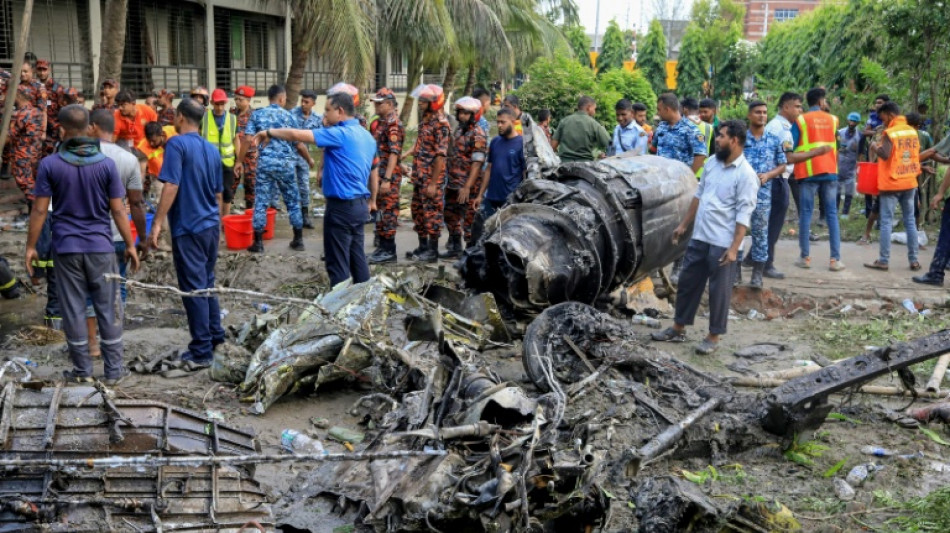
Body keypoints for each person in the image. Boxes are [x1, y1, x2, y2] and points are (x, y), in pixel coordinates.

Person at [25, 104, 139, 384]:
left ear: (62, 130)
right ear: (88, 127)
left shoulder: (50, 164)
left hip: (66, 248)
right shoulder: (106, 165)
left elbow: (40, 211)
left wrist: (31, 247)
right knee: (107, 305)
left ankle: (82, 371)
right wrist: (131, 244)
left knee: (74, 308)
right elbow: (119, 210)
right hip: (101, 246)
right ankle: (113, 372)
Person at [650, 120, 758, 355]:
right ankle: (678, 328)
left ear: (735, 140)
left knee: (719, 292)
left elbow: (743, 215)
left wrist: (734, 248)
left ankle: (713, 337)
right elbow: (698, 196)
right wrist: (683, 225)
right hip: (700, 237)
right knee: (688, 284)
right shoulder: (712, 164)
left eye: (720, 136)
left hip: (723, 243)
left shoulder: (747, 175)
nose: (716, 140)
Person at [254, 92, 376, 286]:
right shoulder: (366, 135)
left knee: (337, 264)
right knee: (357, 258)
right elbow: (369, 168)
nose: (324, 115)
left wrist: (268, 132)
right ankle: (365, 301)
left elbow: (295, 134)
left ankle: (340, 309)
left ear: (340, 111)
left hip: (341, 209)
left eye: (328, 110)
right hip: (359, 205)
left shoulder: (339, 134)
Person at [148, 98, 224, 366]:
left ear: (180, 117)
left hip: (189, 226)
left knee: (193, 289)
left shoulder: (177, 144)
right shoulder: (211, 149)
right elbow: (218, 193)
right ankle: (215, 336)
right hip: (209, 225)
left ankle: (201, 349)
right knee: (207, 282)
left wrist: (157, 222)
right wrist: (217, 223)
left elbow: (171, 185)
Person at [87, 110, 147, 356]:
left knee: (90, 289)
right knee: (118, 286)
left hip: (88, 237)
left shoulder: (79, 156)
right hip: (119, 235)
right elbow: (136, 203)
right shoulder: (128, 159)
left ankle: (92, 344)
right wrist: (142, 239)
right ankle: (113, 337)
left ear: (92, 127)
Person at [239, 85, 304, 253]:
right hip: (286, 164)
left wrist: (240, 161)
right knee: (292, 201)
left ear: (270, 98)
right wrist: (309, 159)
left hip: (266, 164)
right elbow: (298, 142)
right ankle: (298, 239)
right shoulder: (290, 117)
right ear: (282, 99)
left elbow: (247, 140)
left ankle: (258, 242)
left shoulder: (257, 115)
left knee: (261, 201)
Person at [791, 88, 844, 271]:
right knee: (831, 214)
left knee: (805, 213)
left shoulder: (800, 120)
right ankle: (835, 260)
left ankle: (805, 258)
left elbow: (792, 145)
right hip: (829, 171)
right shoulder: (834, 120)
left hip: (808, 172)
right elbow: (839, 144)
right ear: (822, 102)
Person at [863, 102, 920, 272]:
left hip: (892, 183)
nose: (884, 122)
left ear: (889, 114)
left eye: (883, 118)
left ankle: (883, 260)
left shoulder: (890, 133)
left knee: (886, 221)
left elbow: (885, 154)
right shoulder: (912, 131)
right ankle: (914, 261)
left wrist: (874, 146)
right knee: (910, 221)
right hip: (909, 181)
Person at [743, 101, 787, 289]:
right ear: (749, 115)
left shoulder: (774, 139)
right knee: (737, 231)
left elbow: (783, 164)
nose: (762, 115)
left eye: (764, 112)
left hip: (763, 194)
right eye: (757, 112)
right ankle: (735, 271)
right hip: (741, 193)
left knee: (760, 233)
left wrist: (769, 175)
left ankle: (757, 275)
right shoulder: (741, 138)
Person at [407, 84, 451, 263]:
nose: (420, 103)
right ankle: (422, 246)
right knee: (418, 211)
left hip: (432, 179)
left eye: (424, 100)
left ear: (434, 102)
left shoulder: (441, 124)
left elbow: (440, 157)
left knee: (431, 214)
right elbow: (420, 147)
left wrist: (433, 183)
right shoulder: (426, 121)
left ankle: (432, 251)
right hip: (420, 177)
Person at [441, 97, 488, 259]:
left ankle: (470, 252)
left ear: (474, 115)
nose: (461, 116)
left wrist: (467, 187)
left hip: (468, 186)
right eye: (460, 112)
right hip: (453, 183)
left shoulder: (478, 134)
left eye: (465, 113)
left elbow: (477, 163)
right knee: (449, 214)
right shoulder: (460, 131)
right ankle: (455, 247)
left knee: (469, 220)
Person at [472, 108, 525, 241]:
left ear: (513, 121)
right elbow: (489, 168)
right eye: (498, 122)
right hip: (492, 197)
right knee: (486, 233)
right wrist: (480, 195)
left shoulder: (521, 144)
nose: (499, 126)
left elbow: (525, 173)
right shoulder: (495, 142)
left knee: (507, 236)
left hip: (510, 200)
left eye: (503, 122)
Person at [367, 88, 405, 264]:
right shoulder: (382, 123)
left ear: (390, 104)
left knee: (388, 212)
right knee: (381, 212)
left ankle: (389, 250)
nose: (376, 106)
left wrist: (387, 179)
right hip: (379, 175)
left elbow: (393, 153)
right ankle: (382, 247)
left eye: (379, 103)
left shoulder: (393, 124)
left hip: (387, 178)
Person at [201, 88, 240, 217]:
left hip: (227, 162)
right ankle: (213, 219)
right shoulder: (204, 118)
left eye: (222, 104)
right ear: (212, 103)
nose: (219, 107)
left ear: (226, 103)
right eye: (217, 104)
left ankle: (225, 220)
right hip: (209, 162)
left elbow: (236, 140)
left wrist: (239, 161)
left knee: (227, 192)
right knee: (210, 191)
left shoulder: (233, 119)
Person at [3, 88, 43, 210]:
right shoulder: (36, 111)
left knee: (25, 184)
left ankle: (36, 212)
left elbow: (10, 136)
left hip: (22, 154)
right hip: (34, 153)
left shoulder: (22, 114)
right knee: (32, 182)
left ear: (19, 96)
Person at [652, 93, 707, 174]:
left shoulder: (690, 129)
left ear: (667, 109)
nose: (658, 113)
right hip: (660, 178)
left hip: (679, 180)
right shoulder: (661, 127)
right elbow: (654, 148)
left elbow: (701, 155)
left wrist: (688, 176)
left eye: (659, 110)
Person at [290, 89, 322, 229]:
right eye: (302, 101)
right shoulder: (292, 114)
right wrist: (310, 159)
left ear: (313, 103)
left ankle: (305, 216)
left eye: (306, 102)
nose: (303, 104)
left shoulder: (317, 119)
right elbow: (296, 141)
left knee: (304, 186)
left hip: (304, 158)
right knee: (290, 186)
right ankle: (294, 217)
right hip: (290, 156)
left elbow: (321, 137)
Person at [551, 96, 610, 162]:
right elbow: (608, 143)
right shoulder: (594, 124)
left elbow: (553, 146)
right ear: (589, 107)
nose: (594, 112)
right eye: (594, 109)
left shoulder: (564, 121)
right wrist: (598, 153)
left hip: (564, 165)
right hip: (585, 166)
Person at [231, 85, 257, 211]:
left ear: (248, 100)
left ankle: (250, 212)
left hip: (250, 155)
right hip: (233, 154)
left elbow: (261, 135)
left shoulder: (255, 115)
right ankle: (226, 211)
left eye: (240, 99)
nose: (237, 102)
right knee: (231, 183)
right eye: (236, 99)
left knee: (250, 184)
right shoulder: (231, 113)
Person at [137, 121, 177, 201]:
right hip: (159, 178)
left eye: (154, 141)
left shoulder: (173, 131)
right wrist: (137, 190)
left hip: (176, 174)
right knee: (161, 201)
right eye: (149, 141)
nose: (151, 144)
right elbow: (141, 172)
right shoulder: (143, 147)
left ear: (162, 135)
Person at [907, 112, 934, 226]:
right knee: (912, 198)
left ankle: (925, 217)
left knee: (922, 194)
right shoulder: (901, 137)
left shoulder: (924, 136)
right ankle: (914, 223)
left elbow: (931, 151)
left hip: (920, 169)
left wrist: (943, 159)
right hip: (907, 172)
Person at [35, 59, 65, 154]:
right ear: (36, 70)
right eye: (39, 69)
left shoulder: (57, 88)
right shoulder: (34, 87)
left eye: (44, 69)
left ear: (49, 70)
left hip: (53, 130)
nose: (42, 72)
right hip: (37, 128)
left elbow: (63, 109)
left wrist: (62, 127)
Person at [837, 112, 862, 219]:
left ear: (857, 123)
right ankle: (835, 210)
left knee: (849, 191)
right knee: (836, 190)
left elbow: (861, 153)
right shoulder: (840, 133)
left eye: (854, 121)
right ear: (848, 121)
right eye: (851, 121)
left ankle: (845, 213)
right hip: (839, 164)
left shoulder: (859, 136)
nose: (852, 123)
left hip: (851, 166)